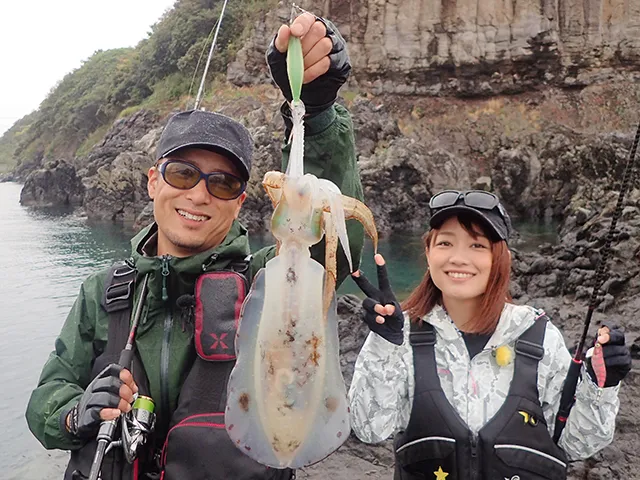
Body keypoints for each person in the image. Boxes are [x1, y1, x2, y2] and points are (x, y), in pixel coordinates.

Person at [26, 13, 362, 480]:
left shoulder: (265, 281)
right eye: (183, 173)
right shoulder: (103, 293)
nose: (199, 194)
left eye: (223, 183)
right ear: (152, 181)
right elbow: (48, 394)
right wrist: (73, 411)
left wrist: (318, 112)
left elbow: (335, 246)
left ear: (242, 201)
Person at [349, 189, 632, 480]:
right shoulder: (401, 333)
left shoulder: (539, 335)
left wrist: (603, 385)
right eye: (445, 242)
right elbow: (370, 429)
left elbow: (578, 443)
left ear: (502, 258)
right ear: (428, 252)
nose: (458, 258)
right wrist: (384, 344)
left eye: (477, 246)